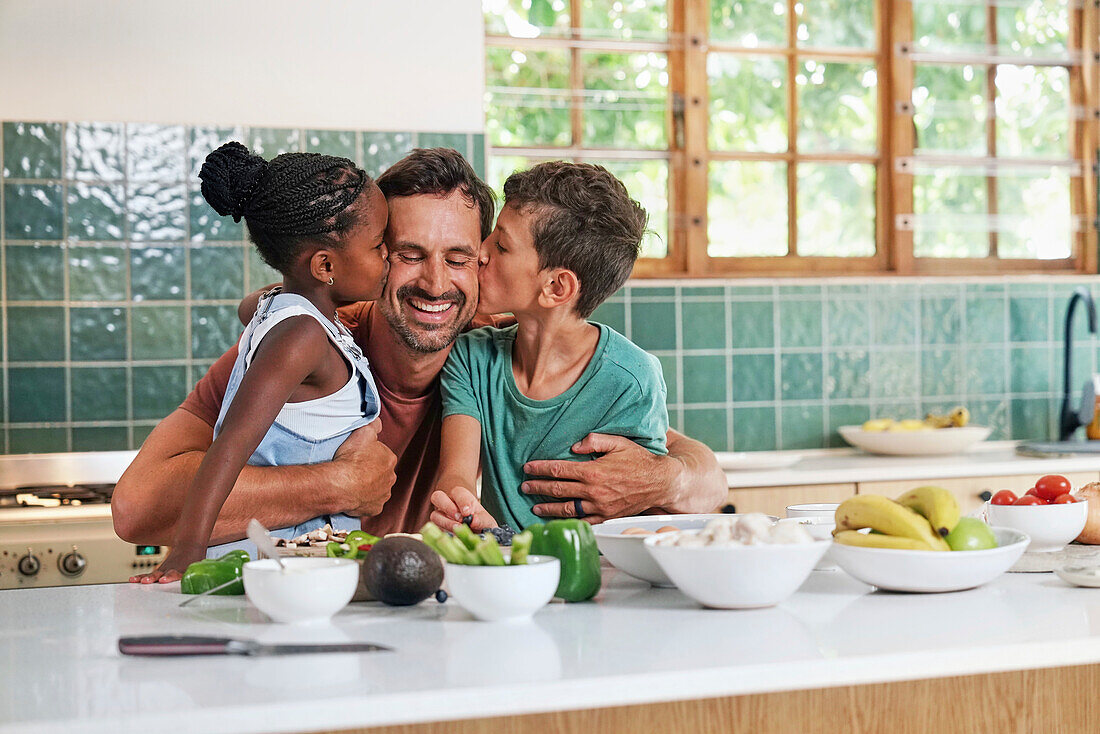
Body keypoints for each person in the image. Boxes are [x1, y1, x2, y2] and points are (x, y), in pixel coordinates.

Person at [111, 149, 727, 552]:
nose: (435, 284)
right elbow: (137, 509)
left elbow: (701, 479)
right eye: (406, 254)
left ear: (484, 267)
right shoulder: (307, 348)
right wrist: (332, 484)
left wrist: (662, 478)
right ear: (367, 258)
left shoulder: (493, 356)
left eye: (459, 257)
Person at [131, 141, 389, 583]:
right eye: (379, 245)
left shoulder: (280, 309)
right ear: (325, 265)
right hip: (274, 564)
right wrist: (188, 549)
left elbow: (248, 306)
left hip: (306, 561)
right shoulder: (302, 337)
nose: (388, 256)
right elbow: (229, 447)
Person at [430, 162, 667, 532]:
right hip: (506, 571)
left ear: (557, 287)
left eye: (503, 246)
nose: (480, 253)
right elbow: (456, 474)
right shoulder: (471, 357)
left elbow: (649, 505)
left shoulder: (632, 380)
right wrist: (459, 505)